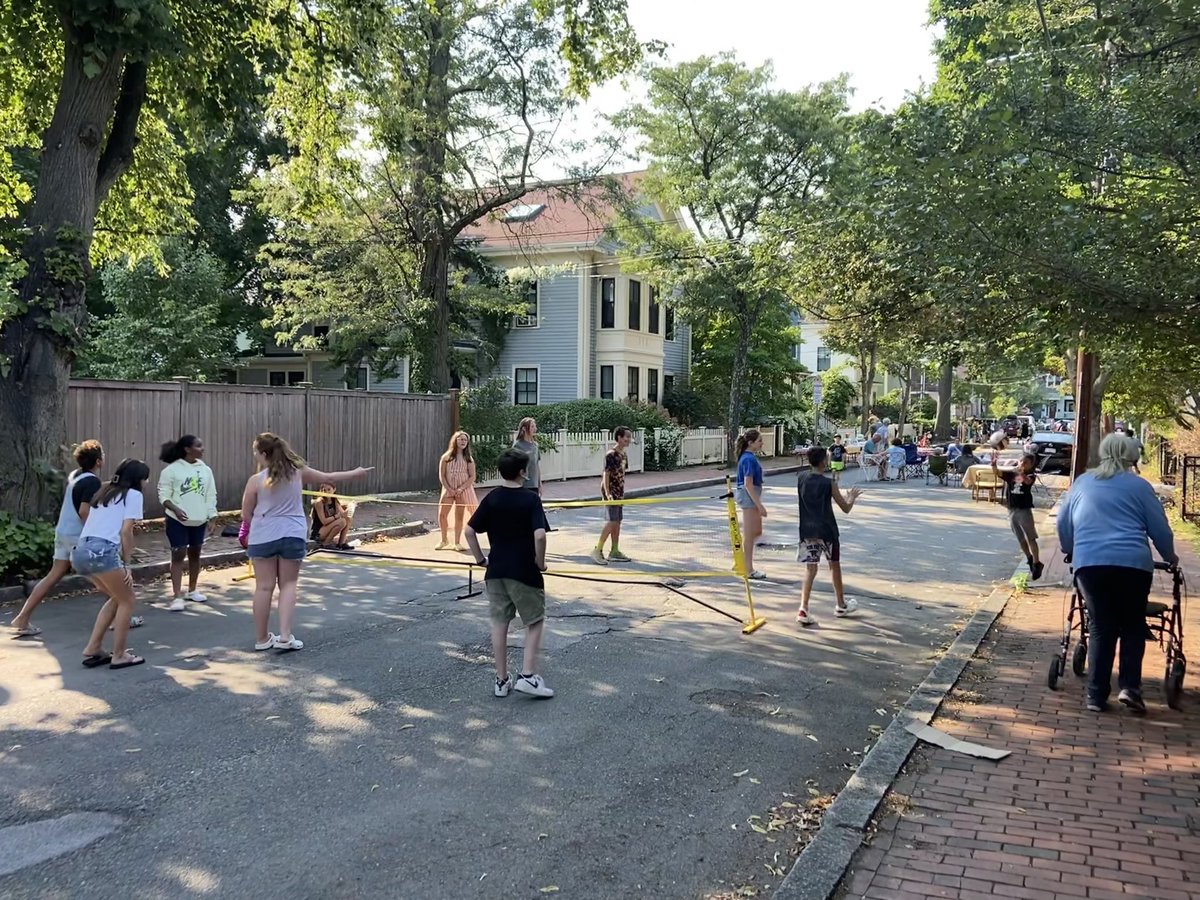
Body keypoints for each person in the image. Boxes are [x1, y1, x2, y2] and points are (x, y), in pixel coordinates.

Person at [1057, 433, 1177, 715]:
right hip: (1132, 564)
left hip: (1091, 564)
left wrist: (1071, 549)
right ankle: (1130, 689)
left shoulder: (1083, 483)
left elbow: (1064, 522)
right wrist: (1170, 558)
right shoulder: (1139, 486)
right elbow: (1159, 528)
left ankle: (1096, 696)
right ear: (1131, 456)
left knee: (1100, 626)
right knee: (1133, 624)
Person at [239, 433, 372, 652]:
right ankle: (284, 636)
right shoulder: (298, 472)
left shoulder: (255, 481)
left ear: (264, 454)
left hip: (263, 536)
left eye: (255, 452)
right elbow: (330, 477)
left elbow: (246, 514)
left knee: (263, 587)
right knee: (288, 585)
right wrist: (356, 473)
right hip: (292, 533)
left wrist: (261, 527)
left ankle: (262, 639)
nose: (255, 456)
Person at [10, 440, 125, 636]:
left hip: (63, 533)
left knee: (52, 576)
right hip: (77, 537)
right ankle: (122, 615)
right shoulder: (92, 481)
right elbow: (84, 512)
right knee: (103, 578)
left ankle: (22, 618)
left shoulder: (76, 476)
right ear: (99, 461)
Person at [464, 449, 553, 699]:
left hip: (496, 571)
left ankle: (501, 680)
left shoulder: (492, 498)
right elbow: (540, 534)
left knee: (500, 624)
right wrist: (541, 562)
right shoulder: (531, 499)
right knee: (534, 621)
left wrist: (481, 559)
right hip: (524, 571)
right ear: (523, 472)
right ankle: (527, 675)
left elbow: (469, 531)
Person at [75, 458, 151, 670]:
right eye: (145, 479)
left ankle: (94, 648)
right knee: (128, 600)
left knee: (118, 598)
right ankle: (119, 655)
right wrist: (127, 564)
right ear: (138, 479)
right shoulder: (133, 495)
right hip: (103, 551)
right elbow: (126, 531)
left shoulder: (104, 490)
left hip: (81, 551)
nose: (146, 483)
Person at [796, 447, 863, 625]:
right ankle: (841, 604)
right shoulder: (829, 483)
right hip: (827, 531)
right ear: (824, 462)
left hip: (807, 530)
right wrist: (852, 497)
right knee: (834, 565)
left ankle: (803, 608)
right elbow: (845, 508)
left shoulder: (801, 478)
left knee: (811, 569)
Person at [158, 434, 218, 611]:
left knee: (195, 553)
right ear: (187, 449)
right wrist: (175, 509)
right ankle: (177, 596)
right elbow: (164, 496)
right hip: (177, 520)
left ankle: (192, 590)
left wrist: (212, 516)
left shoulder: (206, 470)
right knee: (178, 554)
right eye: (199, 446)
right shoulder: (171, 471)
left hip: (199, 519)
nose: (202, 449)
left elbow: (210, 494)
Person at [994, 452, 1043, 579]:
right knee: (1020, 538)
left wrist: (1020, 472)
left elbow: (1027, 482)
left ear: (1031, 465)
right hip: (1012, 509)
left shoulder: (1031, 475)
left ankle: (1037, 563)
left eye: (1026, 462)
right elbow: (998, 473)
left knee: (1031, 537)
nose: (1022, 464)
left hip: (1024, 510)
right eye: (1021, 461)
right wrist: (994, 465)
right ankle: (1029, 557)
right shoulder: (1011, 475)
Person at [591, 426, 633, 565]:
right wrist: (608, 493)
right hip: (611, 492)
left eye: (629, 437)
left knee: (617, 521)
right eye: (626, 436)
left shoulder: (623, 455)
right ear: (619, 438)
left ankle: (614, 550)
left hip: (619, 492)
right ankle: (598, 550)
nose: (629, 439)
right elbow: (606, 474)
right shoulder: (611, 454)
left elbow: (622, 473)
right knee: (612, 521)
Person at [733, 428, 767, 580]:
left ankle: (741, 561)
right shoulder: (748, 459)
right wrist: (759, 505)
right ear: (750, 443)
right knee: (749, 534)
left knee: (755, 531)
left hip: (750, 496)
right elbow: (748, 483)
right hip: (749, 497)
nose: (761, 443)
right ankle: (748, 569)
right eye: (759, 441)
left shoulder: (749, 457)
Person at [436, 430, 478, 551]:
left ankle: (457, 542)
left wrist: (461, 488)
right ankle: (444, 540)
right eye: (461, 439)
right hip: (448, 489)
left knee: (459, 516)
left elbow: (472, 476)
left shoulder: (468, 458)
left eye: (465, 440)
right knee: (442, 514)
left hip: (462, 491)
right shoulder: (446, 457)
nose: (463, 441)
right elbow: (442, 475)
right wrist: (449, 488)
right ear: (455, 440)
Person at [513, 417, 552, 532]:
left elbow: (536, 464)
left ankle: (538, 528)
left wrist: (540, 483)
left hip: (533, 482)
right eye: (532, 426)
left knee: (535, 507)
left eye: (535, 426)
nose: (535, 428)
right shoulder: (518, 445)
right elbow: (514, 465)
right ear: (525, 429)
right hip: (522, 483)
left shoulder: (535, 445)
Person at [311, 483, 355, 549]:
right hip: (319, 532)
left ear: (334, 490)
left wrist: (350, 507)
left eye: (329, 489)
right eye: (324, 490)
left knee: (348, 519)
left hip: (327, 528)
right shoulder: (319, 502)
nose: (327, 492)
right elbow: (324, 521)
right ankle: (326, 543)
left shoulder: (334, 500)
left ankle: (341, 543)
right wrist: (336, 516)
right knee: (342, 521)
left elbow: (343, 514)